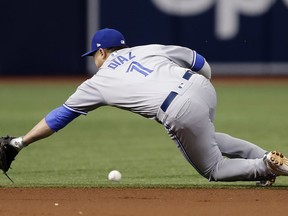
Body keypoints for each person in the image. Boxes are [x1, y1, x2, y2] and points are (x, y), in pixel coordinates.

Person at [1, 28, 287, 186]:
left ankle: (265, 167)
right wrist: (203, 89)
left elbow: (58, 118)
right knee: (208, 136)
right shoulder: (148, 48)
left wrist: (20, 142)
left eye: (94, 55)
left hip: (176, 108)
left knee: (214, 168)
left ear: (101, 52)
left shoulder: (97, 81)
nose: (94, 60)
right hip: (201, 88)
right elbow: (199, 61)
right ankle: (266, 157)